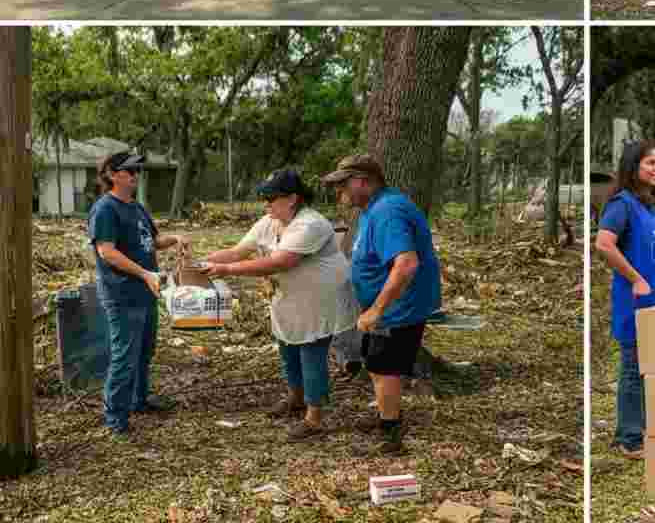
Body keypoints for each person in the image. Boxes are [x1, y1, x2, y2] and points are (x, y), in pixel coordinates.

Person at [200, 168, 357, 440]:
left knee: (311, 351)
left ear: (293, 198)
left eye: (271, 198)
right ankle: (295, 397)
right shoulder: (269, 221)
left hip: (319, 299)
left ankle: (314, 417)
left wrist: (227, 270)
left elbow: (281, 262)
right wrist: (203, 261)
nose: (266, 204)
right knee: (287, 347)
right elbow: (238, 251)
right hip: (289, 297)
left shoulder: (310, 224)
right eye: (265, 197)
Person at [320, 154, 442, 455]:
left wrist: (377, 309)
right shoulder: (374, 209)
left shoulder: (388, 211)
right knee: (378, 366)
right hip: (388, 308)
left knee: (385, 367)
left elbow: (406, 263)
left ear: (363, 181)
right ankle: (387, 417)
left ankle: (391, 437)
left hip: (397, 309)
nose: (340, 193)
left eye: (344, 185)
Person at [88, 151, 190, 437]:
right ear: (111, 174)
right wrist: (144, 274)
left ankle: (138, 400)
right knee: (125, 355)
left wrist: (176, 238)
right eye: (129, 171)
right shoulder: (105, 209)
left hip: (146, 291)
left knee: (144, 351)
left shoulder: (136, 207)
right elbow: (106, 251)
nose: (135, 176)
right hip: (122, 294)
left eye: (138, 171)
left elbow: (153, 240)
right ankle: (115, 417)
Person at [594, 141, 655, 459]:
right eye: (651, 163)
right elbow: (604, 244)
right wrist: (636, 279)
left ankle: (650, 428)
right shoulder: (623, 203)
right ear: (633, 167)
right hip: (638, 303)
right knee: (634, 368)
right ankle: (629, 438)